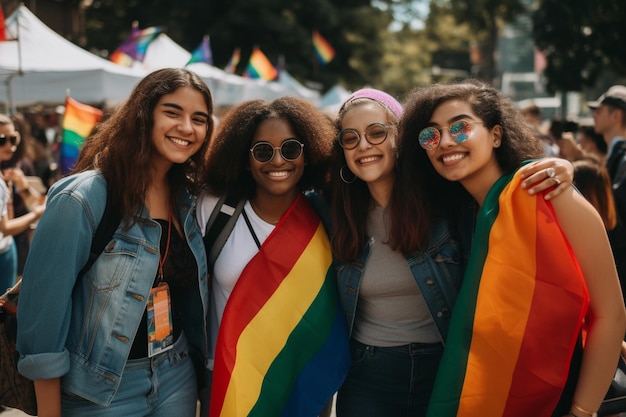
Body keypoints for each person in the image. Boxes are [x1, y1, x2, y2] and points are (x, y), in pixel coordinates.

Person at [328, 88, 575, 417]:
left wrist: (560, 166)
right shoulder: (331, 211)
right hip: (368, 378)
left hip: (447, 369)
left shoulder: (447, 199)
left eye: (376, 132)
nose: (363, 146)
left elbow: (500, 183)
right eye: (350, 138)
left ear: (400, 137)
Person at [398, 79, 626, 417]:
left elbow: (610, 313)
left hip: (568, 395)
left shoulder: (547, 192)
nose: (445, 142)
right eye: (430, 135)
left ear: (496, 135)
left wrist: (581, 411)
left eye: (460, 128)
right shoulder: (456, 220)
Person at [16, 68, 213, 417]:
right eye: (172, 112)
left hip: (175, 372)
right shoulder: (84, 197)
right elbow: (43, 318)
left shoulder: (190, 197)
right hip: (100, 389)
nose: (187, 127)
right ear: (143, 116)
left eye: (199, 118)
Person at [196, 96, 350, 417]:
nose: (278, 161)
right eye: (263, 151)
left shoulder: (327, 216)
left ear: (307, 155)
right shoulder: (213, 210)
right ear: (245, 159)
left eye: (291, 149)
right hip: (231, 376)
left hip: (303, 379)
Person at [0, 114, 45, 293]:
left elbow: (39, 202)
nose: (10, 145)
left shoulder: (22, 166)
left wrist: (24, 187)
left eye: (14, 138)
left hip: (15, 244)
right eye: (2, 140)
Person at [588, 85, 626, 290]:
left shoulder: (622, 158)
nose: (594, 115)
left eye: (599, 110)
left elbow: (617, 211)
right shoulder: (614, 155)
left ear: (616, 115)